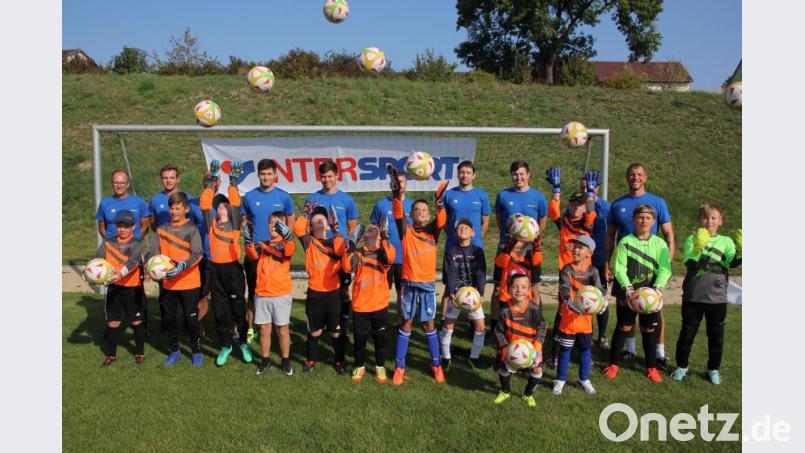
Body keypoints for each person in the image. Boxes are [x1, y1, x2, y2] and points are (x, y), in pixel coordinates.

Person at [604, 163, 675, 370]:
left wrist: (666, 268)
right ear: (627, 177)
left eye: (639, 174)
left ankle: (659, 355)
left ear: (645, 177)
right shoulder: (618, 204)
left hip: (651, 269)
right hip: (627, 265)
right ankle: (630, 349)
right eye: (632, 174)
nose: (635, 177)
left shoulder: (657, 202)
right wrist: (607, 263)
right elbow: (610, 235)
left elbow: (669, 235)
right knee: (625, 313)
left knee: (653, 311)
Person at [388, 165, 448, 385]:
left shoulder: (433, 231)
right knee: (406, 325)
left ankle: (436, 365)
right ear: (411, 215)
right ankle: (399, 367)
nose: (421, 212)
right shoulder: (406, 230)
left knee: (429, 326)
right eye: (417, 210)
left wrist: (439, 202)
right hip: (409, 285)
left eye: (424, 210)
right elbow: (397, 214)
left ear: (428, 214)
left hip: (427, 287)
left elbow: (441, 221)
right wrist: (397, 194)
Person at [672, 204, 742, 385]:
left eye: (713, 218)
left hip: (717, 296)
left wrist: (741, 251)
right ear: (699, 220)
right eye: (705, 217)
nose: (709, 221)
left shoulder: (726, 241)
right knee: (687, 333)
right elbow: (691, 265)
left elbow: (731, 263)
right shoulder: (691, 238)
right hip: (693, 295)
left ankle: (713, 369)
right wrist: (698, 247)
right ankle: (681, 366)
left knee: (716, 335)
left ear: (720, 221)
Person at [304, 160, 359, 360]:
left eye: (330, 176)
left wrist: (346, 247)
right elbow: (305, 227)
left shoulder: (346, 199)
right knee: (324, 284)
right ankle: (321, 329)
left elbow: (352, 226)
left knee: (343, 290)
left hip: (339, 251)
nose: (327, 180)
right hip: (319, 252)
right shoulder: (313, 199)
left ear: (337, 175)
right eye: (324, 176)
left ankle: (341, 330)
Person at [199, 161, 252, 367]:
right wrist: (212, 182)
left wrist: (232, 183)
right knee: (220, 312)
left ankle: (243, 343)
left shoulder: (235, 225)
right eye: (219, 205)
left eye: (225, 205)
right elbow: (205, 203)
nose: (222, 208)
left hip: (233, 270)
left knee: (238, 309)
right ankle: (225, 345)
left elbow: (236, 203)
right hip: (215, 270)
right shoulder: (211, 225)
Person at [544, 167, 596, 368]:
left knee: (586, 311)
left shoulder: (587, 224)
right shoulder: (565, 223)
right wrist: (556, 188)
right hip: (567, 274)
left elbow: (591, 211)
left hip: (586, 275)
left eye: (580, 204)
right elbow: (553, 209)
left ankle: (585, 351)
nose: (576, 207)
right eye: (574, 203)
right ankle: (556, 354)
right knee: (563, 311)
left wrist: (590, 194)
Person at [147, 165, 208, 335]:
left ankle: (191, 326)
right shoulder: (155, 199)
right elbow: (153, 224)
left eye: (171, 177)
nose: (168, 181)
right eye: (165, 177)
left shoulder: (187, 198)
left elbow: (196, 222)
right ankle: (168, 326)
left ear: (178, 178)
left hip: (185, 254)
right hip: (164, 254)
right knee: (165, 291)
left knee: (189, 294)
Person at [146, 192, 204, 367]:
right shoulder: (162, 229)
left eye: (177, 208)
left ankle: (196, 351)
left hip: (189, 282)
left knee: (190, 319)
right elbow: (153, 251)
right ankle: (174, 351)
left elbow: (197, 254)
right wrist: (151, 266)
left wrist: (181, 267)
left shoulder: (192, 229)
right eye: (171, 208)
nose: (173, 211)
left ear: (186, 209)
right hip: (169, 283)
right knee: (170, 319)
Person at [242, 159, 296, 344]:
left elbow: (291, 219)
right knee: (254, 293)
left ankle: (279, 328)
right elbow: (245, 220)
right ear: (258, 175)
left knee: (277, 292)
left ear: (275, 175)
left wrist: (285, 240)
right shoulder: (249, 196)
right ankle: (251, 329)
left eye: (269, 174)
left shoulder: (284, 197)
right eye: (263, 174)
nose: (266, 177)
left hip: (277, 254)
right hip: (256, 253)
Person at [491, 160, 547, 334]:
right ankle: (496, 326)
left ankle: (534, 322)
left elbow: (542, 223)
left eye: (522, 174)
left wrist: (530, 238)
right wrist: (510, 238)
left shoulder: (538, 197)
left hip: (529, 250)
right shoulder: (503, 195)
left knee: (532, 288)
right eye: (515, 174)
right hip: (506, 248)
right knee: (498, 289)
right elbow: (500, 219)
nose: (518, 177)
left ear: (528, 174)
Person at [293, 204, 348, 374]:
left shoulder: (335, 241)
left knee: (335, 332)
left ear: (329, 224)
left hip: (333, 294)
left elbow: (340, 251)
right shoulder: (309, 242)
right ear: (311, 226)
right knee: (314, 331)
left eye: (323, 219)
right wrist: (306, 212)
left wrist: (337, 229)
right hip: (315, 293)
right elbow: (297, 227)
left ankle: (339, 362)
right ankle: (310, 360)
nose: (319, 222)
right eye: (316, 220)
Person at [96, 170, 151, 333]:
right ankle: (112, 325)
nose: (119, 185)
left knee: (138, 289)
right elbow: (101, 225)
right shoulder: (105, 203)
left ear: (128, 184)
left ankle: (142, 324)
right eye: (116, 182)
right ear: (112, 183)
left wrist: (134, 243)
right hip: (112, 253)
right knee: (113, 286)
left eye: (122, 182)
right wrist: (111, 245)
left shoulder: (139, 202)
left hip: (132, 251)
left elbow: (145, 223)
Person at [342, 218, 395, 383]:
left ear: (380, 236)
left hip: (379, 304)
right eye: (369, 228)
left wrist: (385, 235)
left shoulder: (384, 251)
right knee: (360, 339)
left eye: (375, 228)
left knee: (380, 338)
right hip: (360, 306)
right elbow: (346, 266)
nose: (370, 229)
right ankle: (360, 365)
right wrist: (351, 243)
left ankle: (380, 366)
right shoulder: (358, 252)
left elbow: (390, 257)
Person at [245, 211, 296, 376]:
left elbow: (289, 250)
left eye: (278, 223)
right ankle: (266, 360)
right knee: (265, 329)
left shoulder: (285, 244)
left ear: (284, 227)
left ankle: (286, 360)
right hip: (262, 294)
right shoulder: (262, 244)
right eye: (271, 222)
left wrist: (287, 235)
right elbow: (252, 254)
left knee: (282, 329)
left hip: (280, 293)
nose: (273, 226)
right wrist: (248, 240)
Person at [553, 236, 605, 396]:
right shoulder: (567, 269)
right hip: (569, 318)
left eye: (580, 247)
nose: (575, 249)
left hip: (585, 320)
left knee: (585, 350)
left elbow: (599, 291)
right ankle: (560, 380)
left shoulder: (593, 271)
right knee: (565, 350)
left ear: (589, 253)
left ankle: (584, 379)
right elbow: (564, 288)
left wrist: (602, 304)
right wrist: (569, 302)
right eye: (575, 246)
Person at [97, 210, 146, 366]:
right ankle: (111, 355)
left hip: (132, 289)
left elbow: (132, 262)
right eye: (119, 225)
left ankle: (139, 353)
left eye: (126, 226)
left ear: (133, 227)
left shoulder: (137, 244)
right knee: (113, 321)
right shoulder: (108, 242)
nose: (122, 229)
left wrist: (118, 274)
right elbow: (97, 259)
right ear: (115, 226)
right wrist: (94, 272)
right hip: (114, 289)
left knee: (137, 321)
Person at [493, 271, 546, 408]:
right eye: (515, 287)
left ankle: (528, 394)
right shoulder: (505, 310)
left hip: (533, 349)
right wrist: (505, 348)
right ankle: (505, 391)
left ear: (529, 290)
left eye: (523, 287)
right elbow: (498, 331)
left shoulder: (534, 309)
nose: (519, 290)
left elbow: (542, 327)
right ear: (509, 288)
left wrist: (538, 348)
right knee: (503, 369)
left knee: (537, 371)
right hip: (512, 349)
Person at [440, 218, 487, 372]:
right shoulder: (451, 252)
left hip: (473, 296)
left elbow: (481, 273)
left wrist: (480, 293)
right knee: (448, 324)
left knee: (480, 327)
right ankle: (446, 357)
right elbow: (450, 273)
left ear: (473, 233)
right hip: (457, 296)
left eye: (466, 227)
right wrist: (452, 291)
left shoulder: (478, 251)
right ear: (455, 232)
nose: (462, 229)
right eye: (459, 227)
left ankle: (474, 357)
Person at [369, 169, 413, 305]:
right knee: (382, 291)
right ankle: (380, 323)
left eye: (401, 182)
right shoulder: (381, 205)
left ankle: (400, 323)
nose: (399, 184)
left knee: (403, 293)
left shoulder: (413, 206)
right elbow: (374, 228)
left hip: (405, 257)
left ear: (406, 184)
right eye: (396, 182)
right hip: (385, 256)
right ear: (391, 185)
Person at [581, 175, 611, 350]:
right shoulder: (578, 205)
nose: (586, 191)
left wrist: (608, 261)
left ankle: (602, 336)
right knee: (584, 297)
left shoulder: (604, 207)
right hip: (581, 261)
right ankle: (586, 335)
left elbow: (610, 234)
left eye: (589, 188)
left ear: (597, 188)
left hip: (598, 260)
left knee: (600, 298)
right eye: (583, 187)